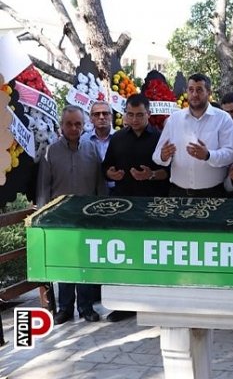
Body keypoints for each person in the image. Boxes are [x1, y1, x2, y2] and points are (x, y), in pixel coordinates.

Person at [36, 105, 108, 325]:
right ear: (62, 125)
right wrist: (43, 218)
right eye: (69, 124)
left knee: (85, 262)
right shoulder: (51, 152)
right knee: (65, 263)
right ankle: (65, 308)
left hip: (88, 217)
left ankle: (86, 307)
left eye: (78, 124)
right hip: (61, 218)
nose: (74, 128)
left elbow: (100, 184)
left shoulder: (92, 149)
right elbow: (43, 188)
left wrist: (102, 213)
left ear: (83, 125)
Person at [101, 93, 168, 322]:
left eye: (140, 115)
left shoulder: (160, 138)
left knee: (152, 255)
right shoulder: (118, 138)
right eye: (130, 115)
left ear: (148, 114)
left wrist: (151, 175)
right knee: (126, 255)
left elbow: (169, 172)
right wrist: (111, 173)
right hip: (124, 206)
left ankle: (155, 303)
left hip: (153, 206)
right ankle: (125, 305)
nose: (135, 119)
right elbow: (106, 167)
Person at [153, 73, 233, 197]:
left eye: (199, 90)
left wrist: (208, 155)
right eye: (191, 90)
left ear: (209, 92)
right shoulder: (174, 119)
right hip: (178, 193)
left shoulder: (223, 118)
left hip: (213, 193)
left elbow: (231, 153)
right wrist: (163, 155)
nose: (194, 94)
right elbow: (156, 155)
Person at [83, 101, 116, 193]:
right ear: (91, 118)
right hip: (92, 190)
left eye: (105, 113)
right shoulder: (83, 140)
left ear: (111, 117)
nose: (101, 117)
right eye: (97, 114)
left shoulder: (121, 138)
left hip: (118, 189)